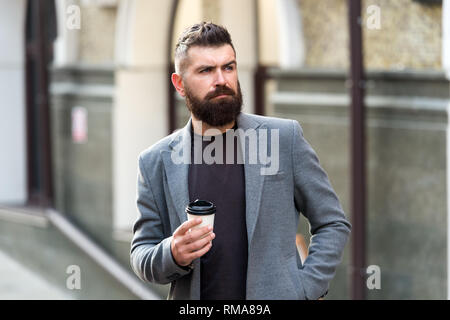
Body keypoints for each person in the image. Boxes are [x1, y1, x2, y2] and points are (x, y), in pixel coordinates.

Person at [130, 22, 351, 300]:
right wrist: (172, 252)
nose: (221, 79)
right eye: (206, 70)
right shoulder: (156, 161)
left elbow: (332, 222)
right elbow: (141, 254)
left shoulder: (284, 139)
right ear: (179, 84)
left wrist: (305, 289)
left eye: (229, 67)